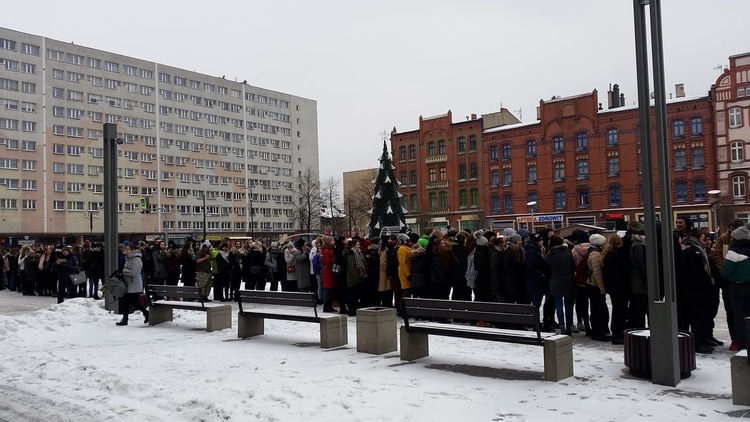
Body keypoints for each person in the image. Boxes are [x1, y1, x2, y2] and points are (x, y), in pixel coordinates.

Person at [715, 218, 743, 351]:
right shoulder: (723, 239)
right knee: (731, 310)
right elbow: (718, 256)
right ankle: (735, 339)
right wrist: (725, 272)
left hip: (744, 280)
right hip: (729, 280)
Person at [721, 222, 750, 351]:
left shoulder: (733, 252)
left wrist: (724, 275)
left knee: (738, 316)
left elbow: (727, 271)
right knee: (749, 315)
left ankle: (742, 344)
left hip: (736, 287)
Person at [601, 233, 630, 344]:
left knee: (617, 309)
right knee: (619, 310)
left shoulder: (608, 253)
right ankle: (617, 333)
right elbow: (621, 271)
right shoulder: (615, 254)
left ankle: (616, 332)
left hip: (613, 286)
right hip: (618, 286)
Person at [547, 236, 575, 335]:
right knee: (569, 306)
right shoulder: (568, 253)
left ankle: (562, 326)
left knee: (558, 304)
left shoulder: (550, 255)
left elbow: (547, 269)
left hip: (555, 281)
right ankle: (569, 327)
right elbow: (573, 266)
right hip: (568, 280)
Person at [117, 244, 149, 326]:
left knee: (134, 302)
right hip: (128, 283)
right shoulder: (128, 258)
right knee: (126, 301)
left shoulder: (136, 259)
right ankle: (125, 319)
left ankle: (146, 313)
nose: (126, 250)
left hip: (134, 284)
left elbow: (134, 272)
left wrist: (124, 271)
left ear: (132, 250)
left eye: (128, 249)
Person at [585, 233, 610, 341]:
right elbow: (597, 273)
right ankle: (598, 331)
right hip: (594, 285)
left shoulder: (594, 251)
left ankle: (600, 330)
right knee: (597, 309)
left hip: (593, 284)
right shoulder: (595, 254)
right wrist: (602, 289)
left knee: (598, 308)